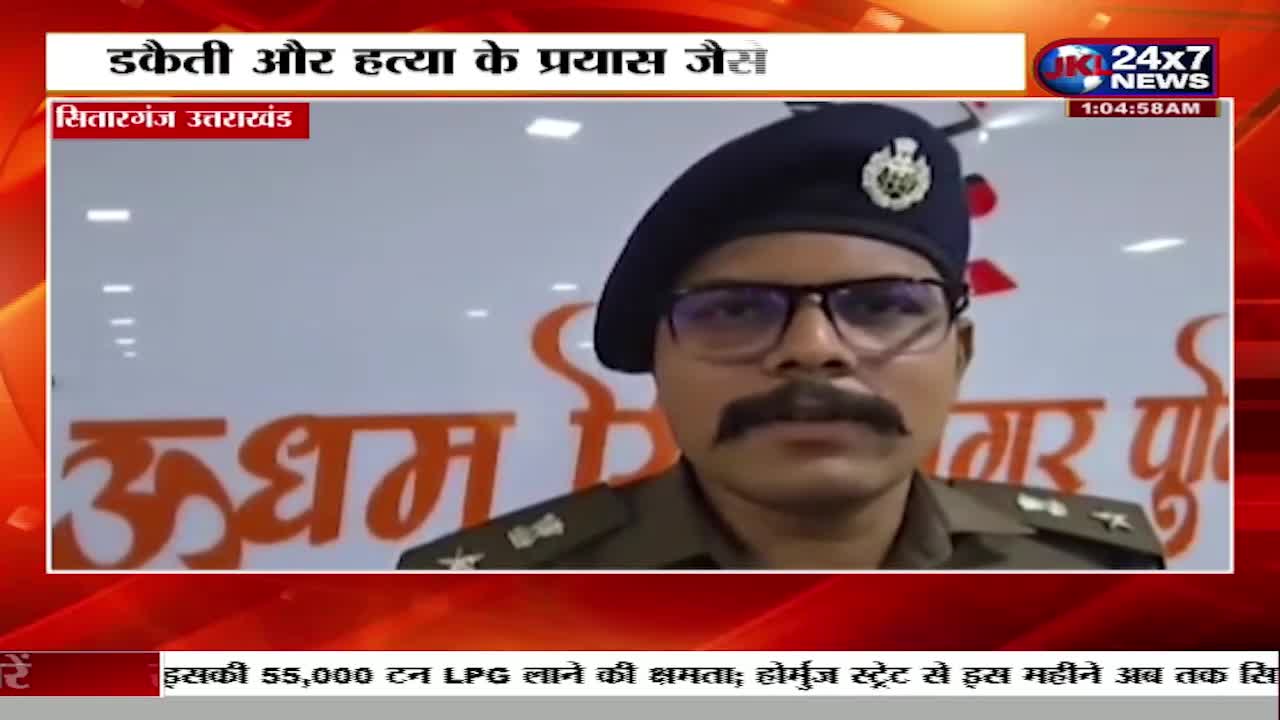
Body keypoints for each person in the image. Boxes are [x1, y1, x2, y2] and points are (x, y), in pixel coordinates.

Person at [398, 102, 1166, 571]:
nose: (815, 349)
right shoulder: (479, 599)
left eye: (881, 307)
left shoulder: (1098, 562)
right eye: (735, 311)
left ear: (959, 356)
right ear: (660, 366)